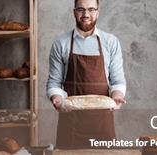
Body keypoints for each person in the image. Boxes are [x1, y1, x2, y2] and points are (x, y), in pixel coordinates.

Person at [46, 0, 126, 148]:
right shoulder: (60, 43)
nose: (86, 14)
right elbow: (54, 82)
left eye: (91, 9)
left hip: (102, 123)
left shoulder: (110, 42)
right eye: (81, 9)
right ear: (74, 12)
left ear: (98, 11)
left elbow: (118, 81)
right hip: (71, 123)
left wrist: (117, 96)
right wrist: (56, 98)